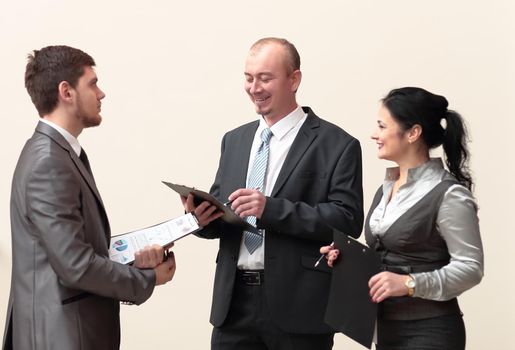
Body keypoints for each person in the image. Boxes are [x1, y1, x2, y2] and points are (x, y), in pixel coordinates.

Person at [182, 37, 363, 350]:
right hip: (232, 304)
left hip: (300, 307)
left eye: (265, 78)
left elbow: (347, 220)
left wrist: (271, 209)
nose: (255, 88)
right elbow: (225, 213)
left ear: (295, 80)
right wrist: (200, 219)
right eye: (249, 78)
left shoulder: (338, 144)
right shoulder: (234, 140)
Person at [2, 45, 176, 350]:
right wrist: (147, 280)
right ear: (66, 92)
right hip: (61, 337)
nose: (101, 93)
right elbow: (76, 265)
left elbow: (71, 250)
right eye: (92, 83)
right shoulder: (49, 162)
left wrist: (133, 262)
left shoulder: (59, 153)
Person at [321, 87, 484, 349]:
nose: (374, 134)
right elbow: (384, 254)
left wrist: (410, 284)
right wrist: (345, 258)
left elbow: (471, 268)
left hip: (430, 332)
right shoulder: (385, 188)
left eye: (382, 126)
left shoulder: (450, 195)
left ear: (413, 133)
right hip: (384, 329)